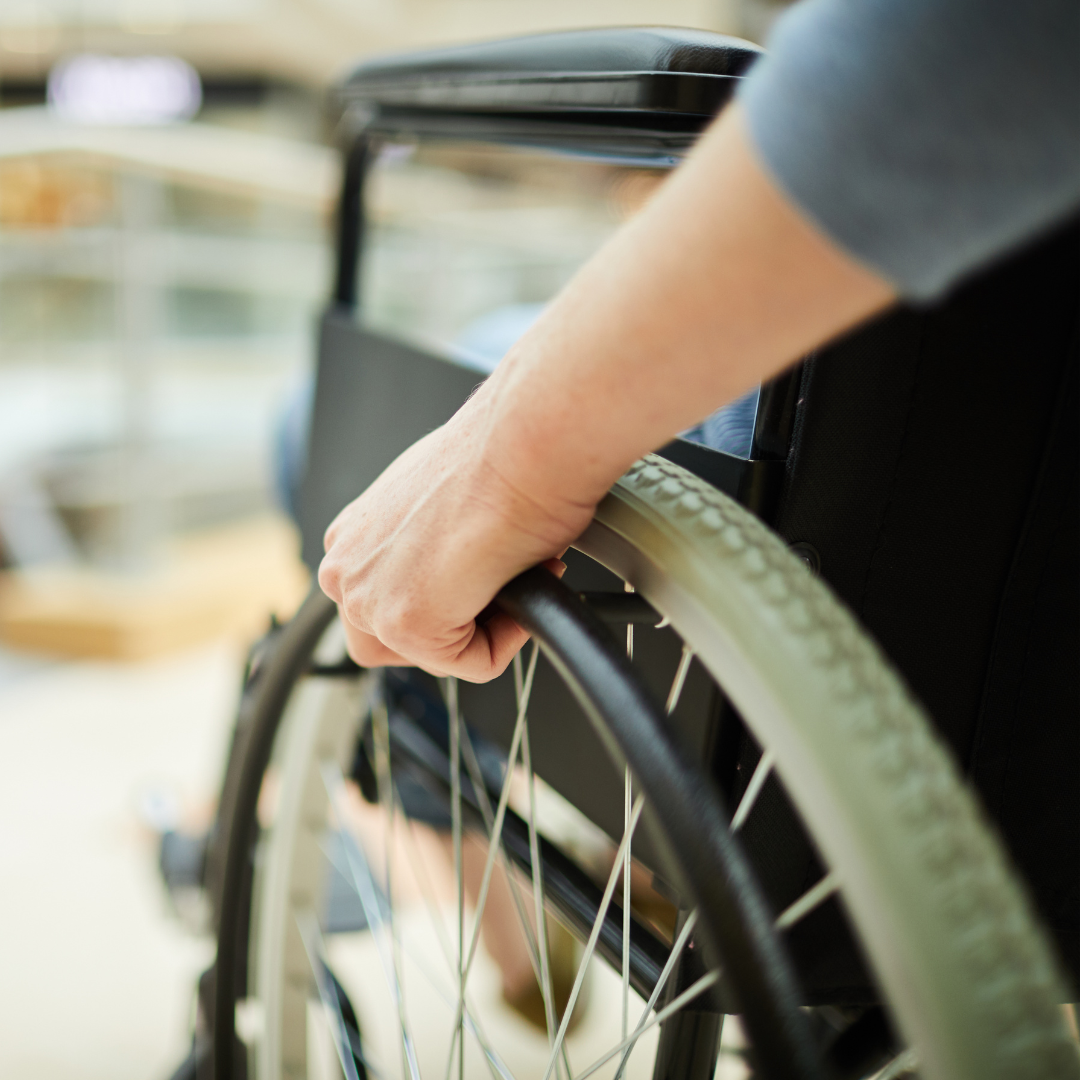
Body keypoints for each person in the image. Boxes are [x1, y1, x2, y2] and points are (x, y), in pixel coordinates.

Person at [318, 0, 1079, 681]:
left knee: (315, 434)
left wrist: (502, 465)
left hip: (830, 447)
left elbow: (955, 45)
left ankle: (411, 796)